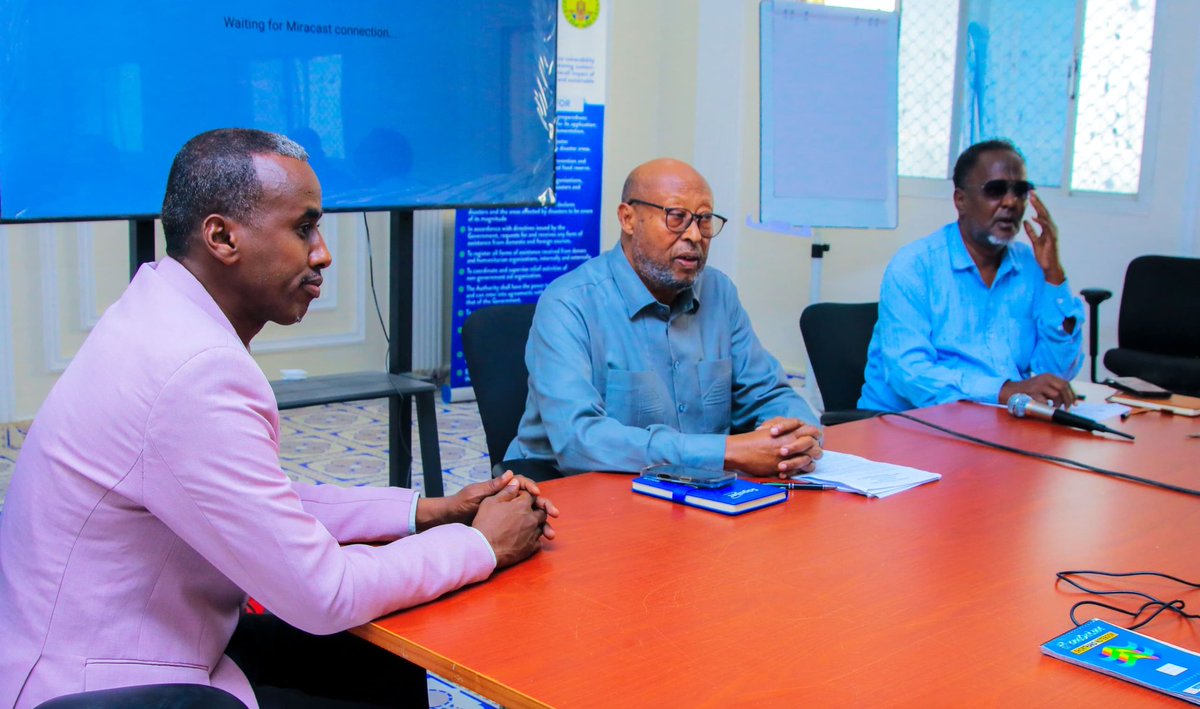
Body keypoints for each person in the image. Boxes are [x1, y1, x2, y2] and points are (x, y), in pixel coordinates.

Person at [0, 128, 558, 709]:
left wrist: (426, 513)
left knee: (383, 658)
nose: (322, 252)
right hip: (108, 688)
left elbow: (259, 502)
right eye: (302, 228)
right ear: (221, 236)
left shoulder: (158, 315)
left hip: (138, 642)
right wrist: (482, 546)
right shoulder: (191, 371)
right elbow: (322, 592)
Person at [505, 158, 822, 480]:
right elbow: (579, 440)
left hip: (697, 493)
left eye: (704, 219)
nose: (695, 235)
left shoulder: (719, 292)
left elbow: (768, 394)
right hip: (578, 492)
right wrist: (726, 452)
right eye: (677, 217)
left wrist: (798, 437)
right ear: (628, 218)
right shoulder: (569, 303)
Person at [858, 139, 1084, 413]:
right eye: (996, 190)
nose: (1011, 202)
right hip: (908, 425)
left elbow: (1055, 375)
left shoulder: (1031, 265)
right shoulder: (915, 267)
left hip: (996, 421)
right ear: (961, 200)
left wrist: (1053, 275)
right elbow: (910, 375)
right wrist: (1004, 391)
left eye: (1020, 191)